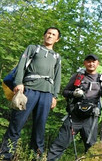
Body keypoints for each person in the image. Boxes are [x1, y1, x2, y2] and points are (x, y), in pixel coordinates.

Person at [0, 27, 61, 160]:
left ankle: (36, 157)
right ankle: (5, 155)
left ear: (57, 39)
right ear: (44, 35)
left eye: (53, 35)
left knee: (40, 127)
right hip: (29, 90)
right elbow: (21, 66)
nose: (50, 36)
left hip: (46, 94)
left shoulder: (56, 57)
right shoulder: (33, 48)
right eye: (48, 33)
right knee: (17, 123)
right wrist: (18, 83)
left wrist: (55, 96)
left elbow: (57, 78)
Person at [47, 54, 102, 161]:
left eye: (93, 61)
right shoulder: (78, 77)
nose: (91, 64)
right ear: (84, 63)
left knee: (92, 148)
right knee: (60, 143)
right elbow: (65, 92)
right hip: (74, 116)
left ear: (98, 63)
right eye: (88, 61)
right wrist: (74, 93)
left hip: (91, 117)